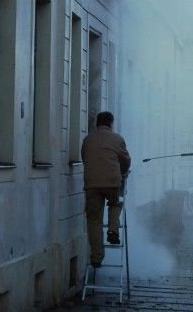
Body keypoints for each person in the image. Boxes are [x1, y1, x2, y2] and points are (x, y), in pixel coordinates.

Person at [81, 111, 131, 268]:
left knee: (94, 220)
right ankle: (113, 230)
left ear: (97, 123)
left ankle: (96, 257)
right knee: (115, 203)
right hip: (112, 182)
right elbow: (126, 160)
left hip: (92, 184)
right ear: (111, 123)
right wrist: (122, 172)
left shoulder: (87, 140)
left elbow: (84, 157)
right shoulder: (117, 139)